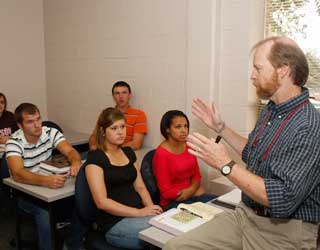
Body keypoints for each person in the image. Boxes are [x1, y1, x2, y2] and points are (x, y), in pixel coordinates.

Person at [164, 36, 320, 250]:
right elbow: (253, 152)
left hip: (283, 232)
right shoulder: (272, 109)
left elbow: (282, 198)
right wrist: (221, 128)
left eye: (258, 68)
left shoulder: (309, 125)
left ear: (283, 70)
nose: (252, 75)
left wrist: (225, 164)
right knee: (175, 247)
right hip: (244, 216)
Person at [71, 107, 162, 249]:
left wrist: (150, 208)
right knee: (160, 238)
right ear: (102, 131)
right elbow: (102, 202)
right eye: (114, 128)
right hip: (114, 223)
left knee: (167, 230)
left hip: (138, 215)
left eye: (122, 126)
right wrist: (139, 213)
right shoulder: (95, 157)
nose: (120, 132)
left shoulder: (128, 152)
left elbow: (140, 187)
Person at [5, 103, 82, 250]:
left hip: (48, 184)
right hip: (23, 193)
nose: (37, 125)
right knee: (44, 211)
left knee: (81, 199)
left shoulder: (50, 132)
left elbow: (70, 151)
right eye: (30, 122)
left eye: (38, 119)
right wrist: (45, 181)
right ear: (20, 126)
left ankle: (72, 243)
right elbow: (17, 173)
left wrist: (76, 162)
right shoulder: (14, 142)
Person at [153, 110, 216, 209]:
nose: (184, 130)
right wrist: (192, 192)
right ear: (167, 130)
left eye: (186, 126)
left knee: (221, 207)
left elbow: (196, 176)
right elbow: (166, 192)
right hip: (173, 202)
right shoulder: (161, 154)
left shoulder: (188, 145)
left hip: (191, 195)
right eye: (178, 127)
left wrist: (191, 190)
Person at [89, 81, 147, 150]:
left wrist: (111, 149)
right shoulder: (106, 113)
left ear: (130, 95)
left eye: (124, 92)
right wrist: (93, 148)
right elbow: (94, 136)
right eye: (117, 93)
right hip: (103, 153)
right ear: (113, 96)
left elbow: (136, 144)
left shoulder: (139, 115)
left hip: (123, 153)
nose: (121, 96)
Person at [0, 93, 18, 160]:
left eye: (2, 102)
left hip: (9, 150)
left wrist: (10, 138)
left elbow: (20, 133)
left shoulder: (10, 116)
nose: (0, 105)